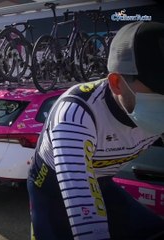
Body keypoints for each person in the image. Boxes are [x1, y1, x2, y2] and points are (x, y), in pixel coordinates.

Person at [27, 21, 164, 240]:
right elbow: (88, 224)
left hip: (101, 178)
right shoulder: (75, 114)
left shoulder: (140, 101)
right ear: (117, 83)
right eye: (160, 89)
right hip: (51, 186)